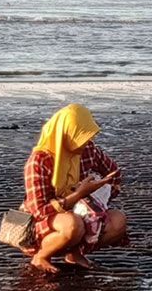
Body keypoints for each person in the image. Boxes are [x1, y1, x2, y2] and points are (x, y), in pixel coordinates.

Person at [22, 104, 128, 273]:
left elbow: (113, 172)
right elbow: (39, 211)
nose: (84, 143)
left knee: (118, 221)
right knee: (73, 224)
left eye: (86, 137)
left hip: (81, 210)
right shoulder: (39, 161)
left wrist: (103, 192)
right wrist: (78, 194)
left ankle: (75, 253)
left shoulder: (88, 150)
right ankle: (41, 256)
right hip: (44, 220)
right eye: (79, 137)